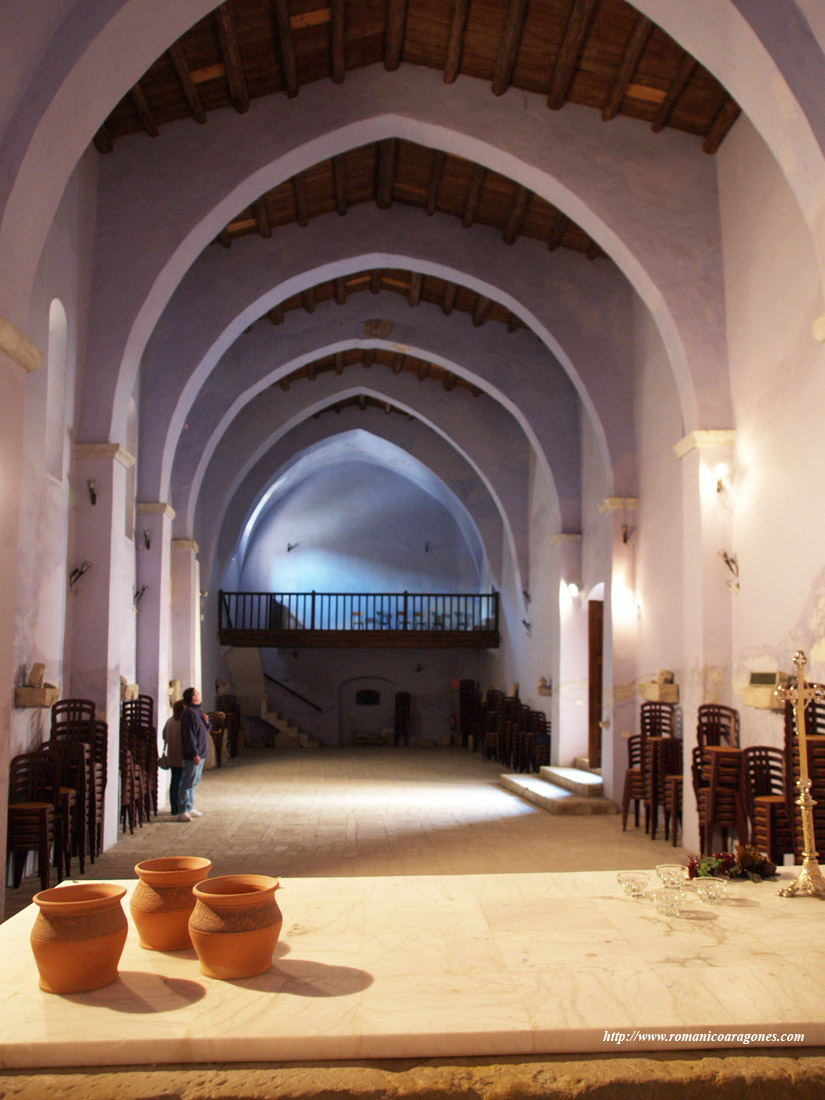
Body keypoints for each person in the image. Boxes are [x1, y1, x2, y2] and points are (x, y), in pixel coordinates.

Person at [178, 687, 210, 822]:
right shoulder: (189, 713)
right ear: (192, 697)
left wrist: (207, 722)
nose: (199, 695)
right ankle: (182, 810)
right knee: (188, 781)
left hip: (200, 752)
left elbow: (202, 730)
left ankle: (190, 806)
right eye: (197, 693)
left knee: (194, 781)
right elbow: (189, 735)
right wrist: (194, 753)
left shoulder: (197, 712)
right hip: (194, 753)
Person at [162, 699, 186, 817]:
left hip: (172, 755)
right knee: (181, 781)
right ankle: (180, 807)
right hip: (182, 756)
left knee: (174, 781)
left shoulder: (169, 721)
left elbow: (164, 736)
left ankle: (174, 807)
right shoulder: (183, 723)